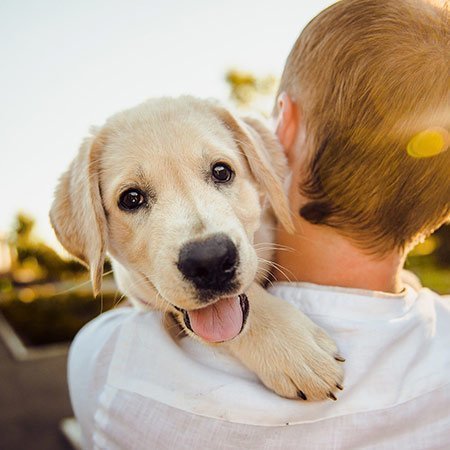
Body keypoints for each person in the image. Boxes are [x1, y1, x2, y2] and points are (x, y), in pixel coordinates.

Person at [68, 0, 450, 448]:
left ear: (282, 128)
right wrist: (255, 319)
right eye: (133, 198)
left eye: (220, 172)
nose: (204, 245)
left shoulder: (109, 362)